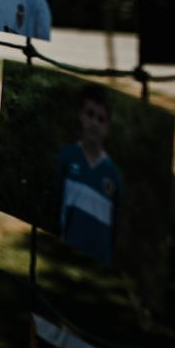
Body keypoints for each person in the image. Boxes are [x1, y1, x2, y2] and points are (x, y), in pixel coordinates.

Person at [53, 84, 122, 267]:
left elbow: (116, 226)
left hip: (99, 261)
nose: (94, 123)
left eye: (101, 119)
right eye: (90, 114)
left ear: (107, 127)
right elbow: (56, 203)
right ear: (81, 115)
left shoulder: (113, 175)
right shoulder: (67, 156)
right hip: (67, 252)